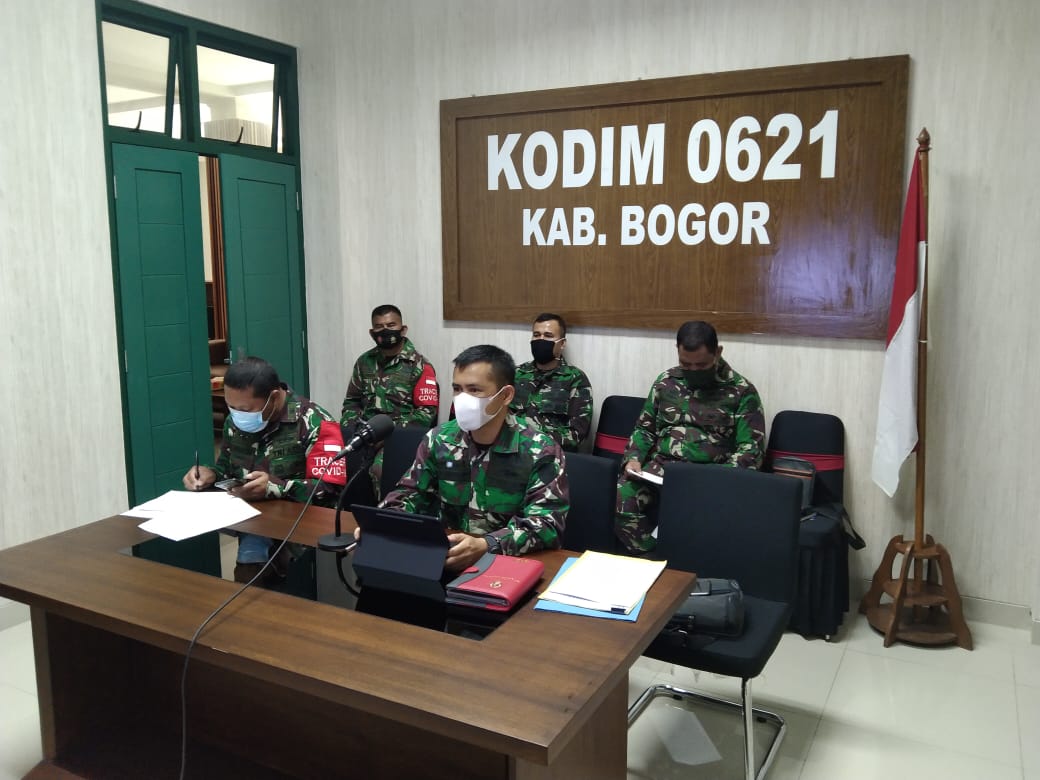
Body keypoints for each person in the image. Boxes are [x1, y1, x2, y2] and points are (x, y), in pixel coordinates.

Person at [374, 344, 568, 572]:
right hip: (445, 559)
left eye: (474, 390)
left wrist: (488, 545)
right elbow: (411, 493)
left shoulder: (540, 450)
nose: (462, 399)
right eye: (457, 389)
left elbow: (546, 525)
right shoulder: (439, 439)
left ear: (506, 395)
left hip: (505, 567)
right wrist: (383, 524)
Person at [184, 356, 339, 582]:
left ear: (274, 398)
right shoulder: (235, 423)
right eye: (231, 407)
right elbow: (228, 468)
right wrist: (211, 474)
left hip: (301, 530)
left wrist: (275, 487)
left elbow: (330, 489)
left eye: (245, 409)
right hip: (252, 524)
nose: (237, 415)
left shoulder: (317, 423)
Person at [615, 321, 765, 553]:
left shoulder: (742, 391)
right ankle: (649, 557)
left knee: (704, 522)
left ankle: (682, 565)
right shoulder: (666, 382)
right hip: (660, 472)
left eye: (701, 365)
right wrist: (633, 458)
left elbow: (751, 450)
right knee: (622, 494)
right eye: (686, 364)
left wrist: (718, 479)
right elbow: (644, 429)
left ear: (717, 353)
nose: (693, 371)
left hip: (711, 477)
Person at [340, 304, 439, 496]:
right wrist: (353, 430)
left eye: (391, 325)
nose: (385, 331)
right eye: (379, 327)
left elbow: (426, 414)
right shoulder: (364, 362)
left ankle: (384, 512)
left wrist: (387, 435)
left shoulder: (420, 366)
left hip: (399, 438)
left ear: (403, 329)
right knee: (336, 463)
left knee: (380, 471)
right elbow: (351, 402)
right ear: (372, 332)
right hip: (364, 435)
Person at [509, 312, 593, 452]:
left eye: (548, 336)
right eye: (536, 335)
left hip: (551, 455)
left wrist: (532, 439)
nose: (541, 340)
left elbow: (577, 434)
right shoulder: (516, 374)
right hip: (512, 450)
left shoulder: (575, 379)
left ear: (562, 343)